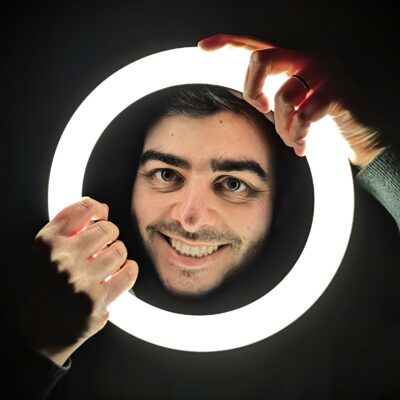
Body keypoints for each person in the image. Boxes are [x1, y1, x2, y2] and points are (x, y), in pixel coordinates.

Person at [4, 34, 399, 399]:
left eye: (233, 184)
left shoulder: (350, 349)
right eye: (167, 175)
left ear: (281, 204)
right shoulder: (61, 339)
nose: (190, 218)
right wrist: (38, 351)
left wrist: (372, 149)